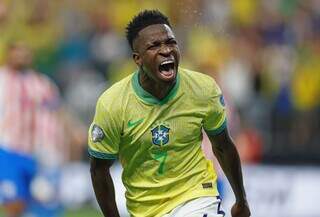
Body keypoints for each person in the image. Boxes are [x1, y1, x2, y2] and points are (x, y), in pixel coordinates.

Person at [89, 10, 251, 217]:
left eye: (171, 43)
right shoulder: (113, 104)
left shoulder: (203, 89)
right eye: (154, 46)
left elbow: (223, 146)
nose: (166, 50)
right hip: (145, 209)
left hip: (197, 195)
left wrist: (241, 200)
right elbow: (99, 169)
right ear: (137, 59)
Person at [0, 42, 67, 217]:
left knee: (44, 203)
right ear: (9, 55)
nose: (21, 57)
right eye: (17, 53)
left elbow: (57, 111)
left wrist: (67, 136)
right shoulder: (2, 80)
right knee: (14, 202)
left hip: (38, 152)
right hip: (9, 149)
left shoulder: (41, 83)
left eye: (25, 53)